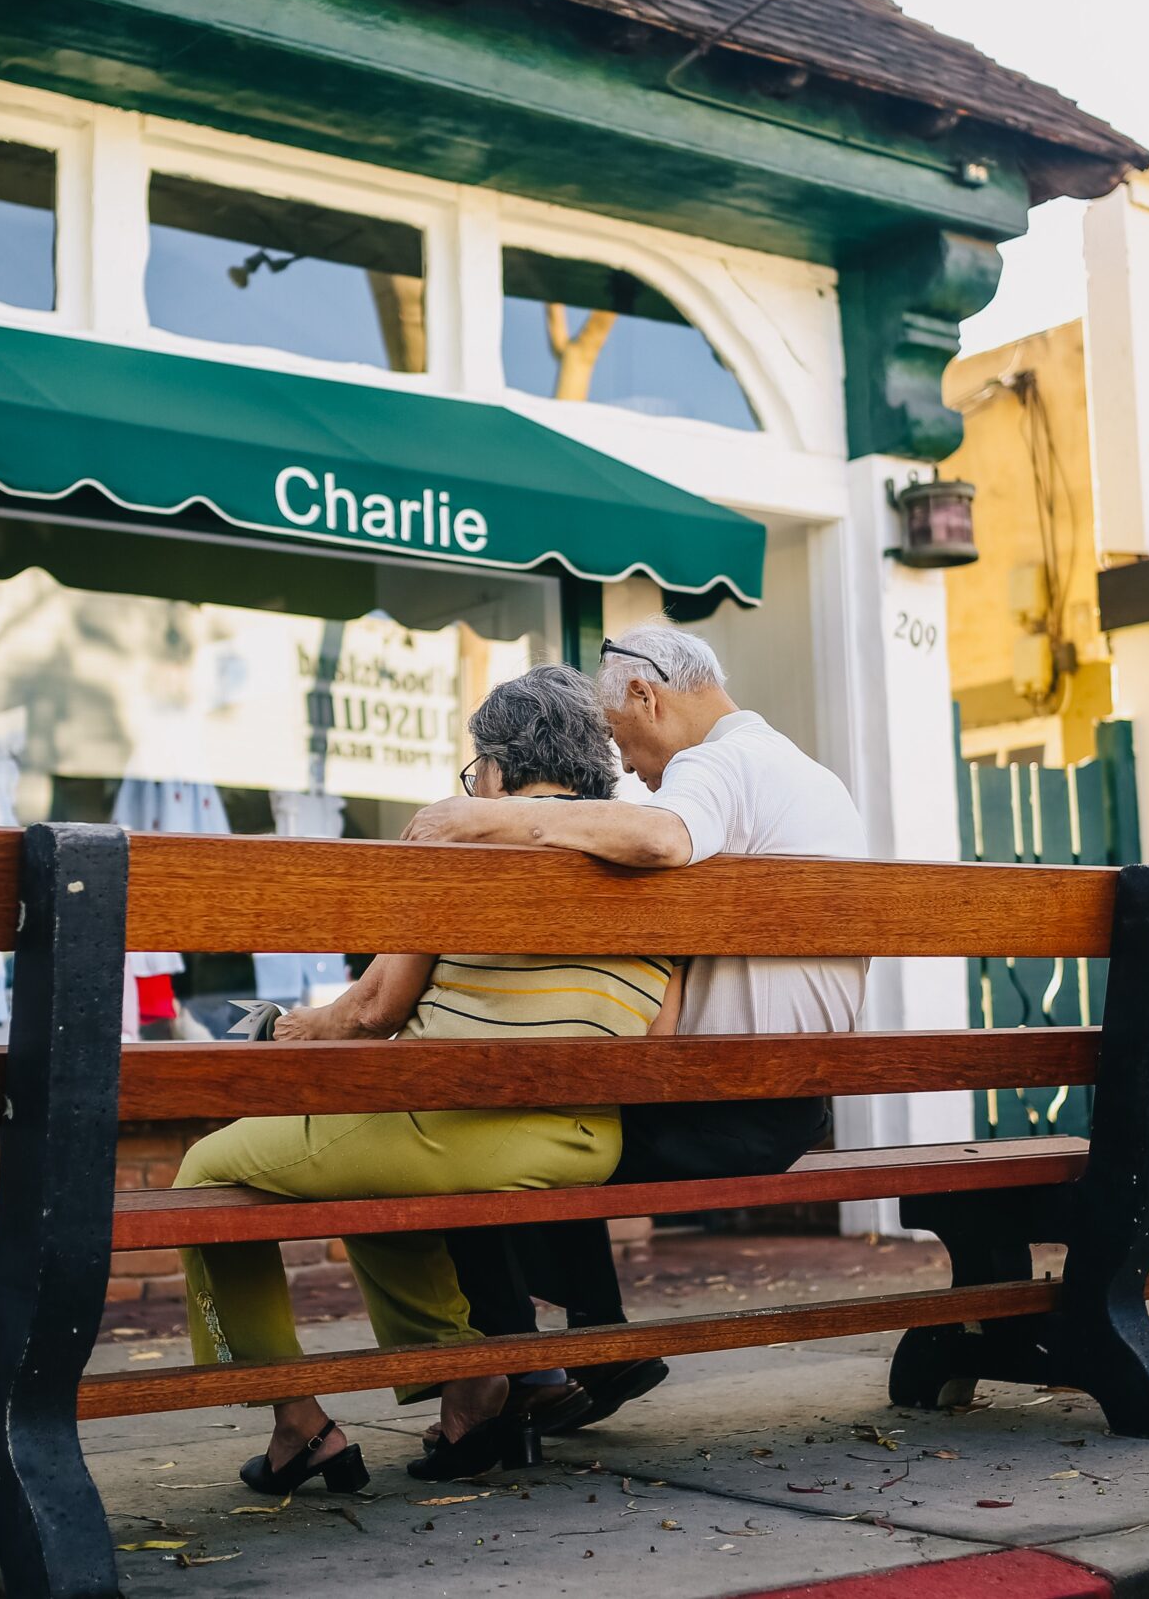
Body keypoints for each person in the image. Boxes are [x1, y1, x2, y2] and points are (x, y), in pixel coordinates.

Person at [172, 664, 684, 1493]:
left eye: (474, 769)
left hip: (456, 1125)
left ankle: (297, 1420)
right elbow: (658, 1031)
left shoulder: (466, 834)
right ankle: (464, 1381)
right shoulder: (655, 847)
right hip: (588, 1136)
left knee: (206, 1170)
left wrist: (298, 1030)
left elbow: (375, 1008)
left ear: (495, 770)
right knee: (372, 1176)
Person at [398, 622, 868, 1429]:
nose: (630, 771)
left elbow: (657, 837)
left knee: (480, 1143)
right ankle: (596, 1342)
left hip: (725, 1106)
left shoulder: (716, 764)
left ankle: (523, 1370)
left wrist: (481, 818)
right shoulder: (802, 771)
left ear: (646, 694)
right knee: (558, 1112)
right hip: (790, 1095)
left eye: (621, 739)